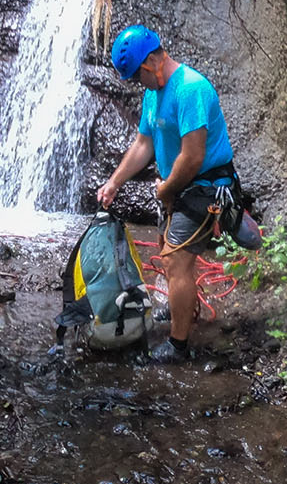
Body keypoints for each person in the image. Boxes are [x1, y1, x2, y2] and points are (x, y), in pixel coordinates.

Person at [95, 24, 261, 364]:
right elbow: (144, 145)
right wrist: (114, 183)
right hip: (177, 187)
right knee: (166, 252)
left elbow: (193, 156)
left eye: (136, 77)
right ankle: (182, 309)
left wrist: (165, 191)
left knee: (175, 260)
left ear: (150, 65)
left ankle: (178, 345)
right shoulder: (153, 94)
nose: (137, 85)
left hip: (206, 187)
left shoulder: (190, 89)